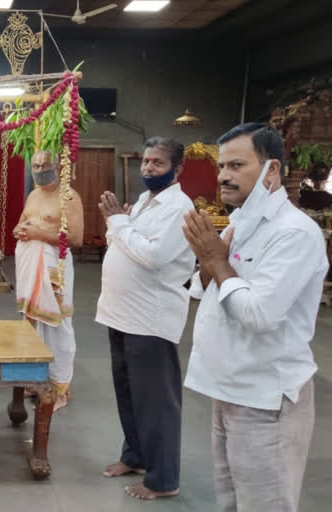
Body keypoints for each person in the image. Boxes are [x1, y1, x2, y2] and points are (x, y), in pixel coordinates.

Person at [183, 123, 328, 512]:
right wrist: (207, 259)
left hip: (265, 401)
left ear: (272, 170)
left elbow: (259, 314)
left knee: (265, 505)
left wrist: (215, 258)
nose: (224, 176)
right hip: (229, 389)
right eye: (221, 166)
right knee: (231, 503)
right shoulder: (240, 222)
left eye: (236, 165)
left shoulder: (294, 233)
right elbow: (202, 290)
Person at [96, 137, 195, 500]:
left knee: (156, 401)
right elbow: (121, 243)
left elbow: (153, 256)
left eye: (158, 163)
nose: (149, 169)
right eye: (146, 162)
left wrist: (119, 224)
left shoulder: (179, 207)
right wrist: (119, 224)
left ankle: (163, 479)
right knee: (128, 393)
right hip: (121, 313)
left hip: (151, 319)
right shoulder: (142, 202)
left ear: (177, 169)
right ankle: (136, 456)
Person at [13, 150, 83, 412]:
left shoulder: (68, 196)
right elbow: (22, 225)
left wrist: (40, 234)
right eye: (36, 164)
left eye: (45, 164)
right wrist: (18, 230)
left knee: (57, 327)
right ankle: (37, 379)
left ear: (57, 166)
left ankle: (60, 389)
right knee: (31, 324)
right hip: (29, 269)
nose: (40, 168)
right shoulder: (33, 194)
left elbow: (76, 238)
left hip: (55, 270)